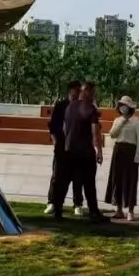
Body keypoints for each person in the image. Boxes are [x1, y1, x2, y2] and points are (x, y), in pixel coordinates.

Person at [51, 80, 106, 222]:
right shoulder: (90, 109)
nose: (94, 95)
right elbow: (95, 133)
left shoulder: (70, 107)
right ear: (87, 92)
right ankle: (93, 211)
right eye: (93, 92)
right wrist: (99, 152)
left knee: (64, 181)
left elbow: (65, 129)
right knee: (89, 183)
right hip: (85, 152)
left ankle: (58, 210)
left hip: (69, 150)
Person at [44, 80, 84, 216]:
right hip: (62, 146)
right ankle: (52, 202)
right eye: (76, 90)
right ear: (70, 91)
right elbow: (53, 125)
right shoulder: (60, 106)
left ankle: (78, 204)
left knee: (77, 176)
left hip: (76, 147)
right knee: (57, 175)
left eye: (80, 91)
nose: (78, 93)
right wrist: (55, 141)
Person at [104, 95, 139, 221]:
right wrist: (121, 123)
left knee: (131, 181)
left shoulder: (136, 121)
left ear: (130, 107)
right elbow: (112, 134)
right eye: (121, 105)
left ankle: (131, 210)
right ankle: (119, 209)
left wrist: (138, 155)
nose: (122, 108)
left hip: (131, 152)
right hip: (118, 151)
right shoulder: (117, 120)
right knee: (117, 179)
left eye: (125, 106)